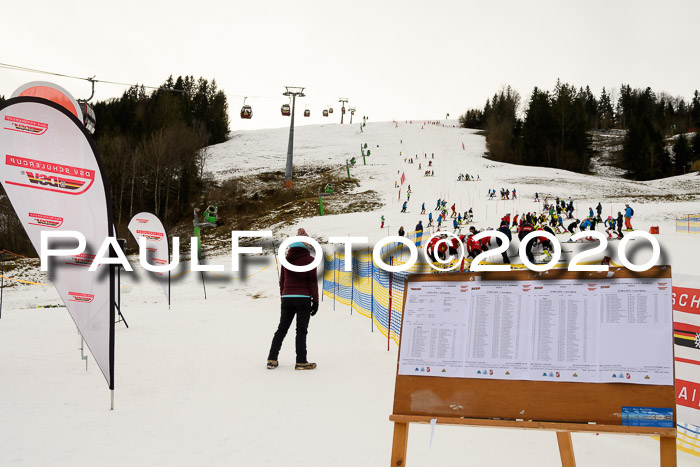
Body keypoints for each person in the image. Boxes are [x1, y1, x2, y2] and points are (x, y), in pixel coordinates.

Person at [267, 228, 318, 370]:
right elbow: (312, 282)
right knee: (301, 330)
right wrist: (316, 301)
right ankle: (301, 361)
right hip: (303, 299)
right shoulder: (310, 260)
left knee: (282, 328)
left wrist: (283, 296)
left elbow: (281, 281)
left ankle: (272, 359)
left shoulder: (285, 260)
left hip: (287, 297)